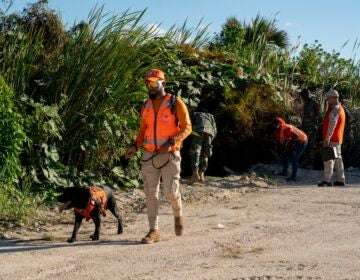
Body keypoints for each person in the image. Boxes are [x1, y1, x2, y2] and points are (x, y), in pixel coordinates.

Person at [125, 69, 192, 244]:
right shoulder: (145, 105)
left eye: (154, 83)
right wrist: (134, 145)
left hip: (170, 155)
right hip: (149, 155)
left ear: (163, 83)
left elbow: (187, 127)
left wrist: (172, 142)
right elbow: (143, 131)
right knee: (150, 193)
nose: (151, 86)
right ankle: (154, 231)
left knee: (170, 191)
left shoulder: (175, 103)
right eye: (148, 83)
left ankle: (178, 215)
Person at [318, 89, 346, 187]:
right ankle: (340, 180)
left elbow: (332, 125)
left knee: (328, 159)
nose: (327, 100)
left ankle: (327, 181)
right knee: (338, 159)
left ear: (335, 98)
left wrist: (327, 138)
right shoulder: (340, 108)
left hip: (332, 139)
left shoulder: (335, 109)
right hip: (337, 138)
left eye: (329, 98)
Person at [272, 117, 308, 182]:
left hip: (302, 141)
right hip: (295, 141)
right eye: (274, 124)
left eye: (276, 124)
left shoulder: (286, 129)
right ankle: (284, 172)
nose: (275, 125)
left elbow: (296, 136)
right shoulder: (277, 131)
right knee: (284, 153)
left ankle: (293, 177)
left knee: (294, 157)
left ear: (280, 124)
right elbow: (282, 141)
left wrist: (289, 143)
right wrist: (284, 146)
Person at [189, 108, 217, 184]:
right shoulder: (211, 116)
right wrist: (210, 139)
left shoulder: (195, 114)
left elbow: (189, 124)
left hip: (198, 130)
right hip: (210, 132)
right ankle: (201, 175)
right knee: (205, 154)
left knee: (195, 152)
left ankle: (195, 175)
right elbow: (215, 130)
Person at [300, 88, 320, 169]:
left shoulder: (314, 103)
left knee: (311, 146)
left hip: (311, 128)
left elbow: (318, 116)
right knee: (305, 144)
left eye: (303, 96)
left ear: (306, 94)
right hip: (305, 127)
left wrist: (315, 126)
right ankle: (306, 162)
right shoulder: (305, 103)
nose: (302, 98)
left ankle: (310, 164)